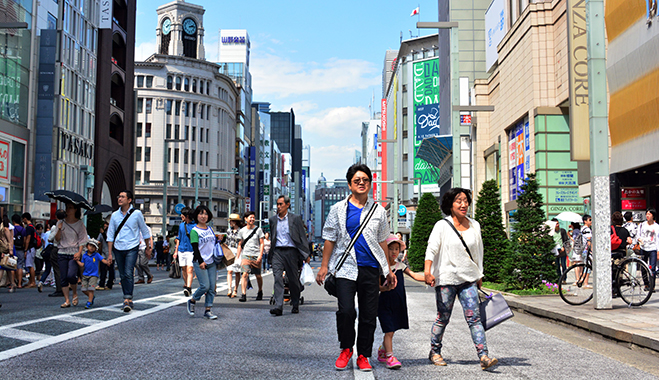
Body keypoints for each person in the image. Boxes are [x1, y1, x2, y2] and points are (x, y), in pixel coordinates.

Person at [315, 164, 394, 372]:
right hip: (344, 267)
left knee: (369, 314)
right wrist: (324, 266)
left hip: (369, 268)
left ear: (370, 184)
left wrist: (388, 269)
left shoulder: (378, 211)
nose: (361, 183)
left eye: (365, 180)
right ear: (350, 184)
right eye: (357, 180)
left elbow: (383, 241)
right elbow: (330, 238)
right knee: (347, 311)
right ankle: (346, 348)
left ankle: (363, 355)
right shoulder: (338, 209)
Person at [424, 187, 498, 371]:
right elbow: (431, 248)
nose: (463, 204)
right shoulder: (441, 226)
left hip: (468, 279)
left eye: (465, 200)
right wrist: (427, 271)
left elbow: (478, 252)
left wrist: (479, 274)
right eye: (459, 201)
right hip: (446, 279)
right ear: (450, 205)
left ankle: (484, 356)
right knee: (443, 317)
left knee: (474, 318)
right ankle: (435, 352)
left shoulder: (475, 225)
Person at [377, 234, 424, 370]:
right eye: (390, 249)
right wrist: (385, 288)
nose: (393, 252)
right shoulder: (382, 268)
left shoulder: (400, 266)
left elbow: (414, 275)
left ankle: (383, 350)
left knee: (393, 329)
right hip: (385, 303)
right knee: (389, 331)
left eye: (396, 249)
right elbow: (377, 286)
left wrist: (428, 278)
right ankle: (390, 357)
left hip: (398, 303)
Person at [106, 190, 153, 312]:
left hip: (132, 246)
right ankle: (126, 296)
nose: (119, 199)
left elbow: (145, 231)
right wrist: (109, 254)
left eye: (122, 197)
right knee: (122, 274)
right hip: (118, 247)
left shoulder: (136, 214)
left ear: (129, 200)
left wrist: (148, 248)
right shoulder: (114, 215)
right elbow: (110, 235)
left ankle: (128, 298)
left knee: (128, 272)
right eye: (119, 196)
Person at [270, 195, 311, 317]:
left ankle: (295, 303)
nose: (278, 207)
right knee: (277, 278)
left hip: (291, 252)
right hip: (277, 252)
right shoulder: (273, 220)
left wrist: (306, 254)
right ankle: (278, 306)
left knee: (293, 279)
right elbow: (273, 237)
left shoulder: (295, 219)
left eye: (281, 204)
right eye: (277, 204)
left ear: (287, 205)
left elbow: (302, 237)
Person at [51, 203, 88, 308]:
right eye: (67, 207)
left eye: (70, 208)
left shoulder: (79, 224)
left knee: (71, 275)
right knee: (63, 277)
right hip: (62, 251)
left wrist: (79, 252)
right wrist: (58, 228)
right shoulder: (61, 222)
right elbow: (57, 239)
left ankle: (75, 293)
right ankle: (67, 300)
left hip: (74, 253)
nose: (68, 210)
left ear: (76, 210)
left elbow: (82, 240)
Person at [186, 205, 219, 320]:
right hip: (200, 261)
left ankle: (208, 310)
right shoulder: (194, 231)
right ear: (196, 216)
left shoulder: (210, 229)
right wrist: (201, 261)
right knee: (205, 286)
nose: (203, 216)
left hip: (212, 261)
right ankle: (192, 300)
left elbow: (213, 244)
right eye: (200, 214)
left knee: (212, 289)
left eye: (205, 214)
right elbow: (195, 248)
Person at [235, 211, 265, 302]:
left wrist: (260, 255)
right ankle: (243, 294)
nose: (252, 219)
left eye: (253, 217)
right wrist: (238, 256)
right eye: (250, 217)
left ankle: (260, 291)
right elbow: (240, 244)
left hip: (256, 255)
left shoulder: (258, 230)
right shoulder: (242, 231)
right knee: (244, 274)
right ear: (245, 219)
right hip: (246, 255)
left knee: (258, 275)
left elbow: (262, 243)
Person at [76, 239, 107, 309]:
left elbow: (103, 260)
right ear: (87, 246)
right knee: (83, 289)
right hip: (85, 274)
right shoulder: (84, 255)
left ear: (96, 248)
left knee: (91, 288)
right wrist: (77, 261)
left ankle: (89, 301)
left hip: (94, 274)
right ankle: (91, 296)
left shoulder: (96, 255)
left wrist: (107, 262)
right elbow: (82, 265)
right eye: (90, 245)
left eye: (94, 246)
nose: (91, 247)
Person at [174, 207, 195, 296]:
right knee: (183, 268)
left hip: (191, 250)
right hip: (181, 250)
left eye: (182, 215)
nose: (181, 216)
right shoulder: (181, 225)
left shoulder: (195, 226)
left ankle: (188, 287)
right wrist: (175, 251)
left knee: (189, 269)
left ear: (187, 216)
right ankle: (186, 283)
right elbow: (178, 238)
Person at [224, 213, 244, 298]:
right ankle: (229, 289)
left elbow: (241, 243)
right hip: (230, 250)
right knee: (229, 270)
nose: (230, 223)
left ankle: (235, 289)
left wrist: (238, 255)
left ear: (235, 222)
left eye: (231, 221)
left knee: (237, 272)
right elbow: (227, 242)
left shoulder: (241, 231)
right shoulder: (229, 230)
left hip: (238, 251)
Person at [638, 209, 659, 280]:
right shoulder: (642, 225)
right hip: (643, 248)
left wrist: (658, 251)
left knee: (652, 268)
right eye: (647, 214)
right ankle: (646, 283)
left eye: (649, 214)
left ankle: (652, 285)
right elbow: (638, 235)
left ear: (653, 215)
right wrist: (639, 239)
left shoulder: (656, 226)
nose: (647, 215)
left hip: (653, 248)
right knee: (643, 267)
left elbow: (657, 239)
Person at [97, 221, 115, 290]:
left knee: (110, 270)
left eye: (106, 226)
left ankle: (109, 284)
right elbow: (98, 241)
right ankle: (102, 283)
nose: (105, 228)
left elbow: (109, 240)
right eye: (104, 226)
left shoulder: (112, 234)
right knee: (103, 270)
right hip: (104, 254)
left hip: (111, 254)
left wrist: (103, 234)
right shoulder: (101, 234)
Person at [11, 214, 26, 289]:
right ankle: (19, 284)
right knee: (20, 265)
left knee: (12, 265)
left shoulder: (12, 228)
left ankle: (13, 283)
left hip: (13, 248)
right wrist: (25, 249)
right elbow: (25, 240)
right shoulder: (23, 229)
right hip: (21, 249)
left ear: (13, 221)